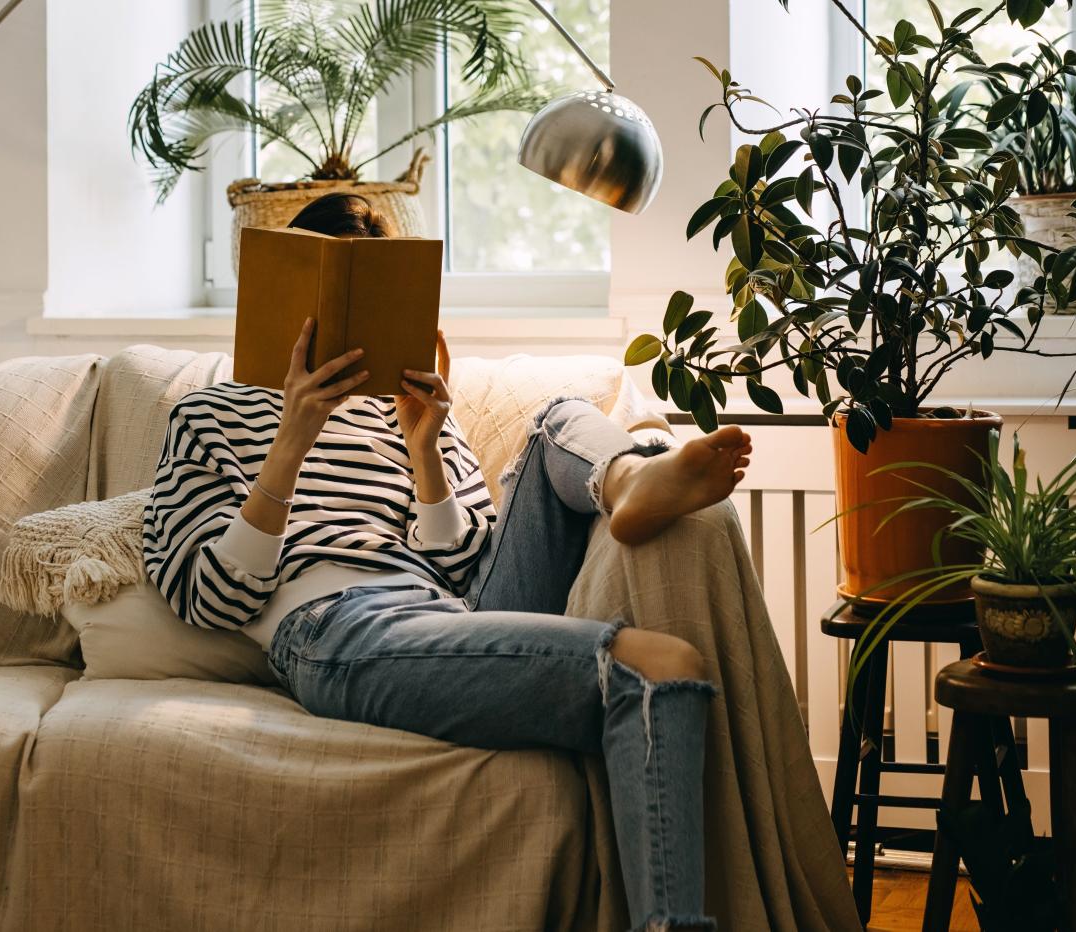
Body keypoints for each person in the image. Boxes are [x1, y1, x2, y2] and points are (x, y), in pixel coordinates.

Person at [143, 192, 752, 932]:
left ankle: (629, 478)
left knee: (559, 415)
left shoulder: (406, 410)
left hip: (449, 604)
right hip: (334, 628)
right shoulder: (210, 415)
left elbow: (465, 563)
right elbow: (211, 600)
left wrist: (426, 446)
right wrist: (291, 441)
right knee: (660, 665)